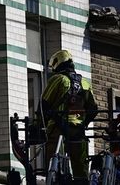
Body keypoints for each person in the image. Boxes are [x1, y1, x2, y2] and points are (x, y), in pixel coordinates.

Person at [41, 49, 97, 183]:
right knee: (80, 171)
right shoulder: (85, 83)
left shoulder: (58, 79)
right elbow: (93, 109)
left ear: (58, 63)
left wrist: (38, 126)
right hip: (78, 131)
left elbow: (44, 104)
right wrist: (83, 123)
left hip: (57, 129)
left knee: (53, 162)